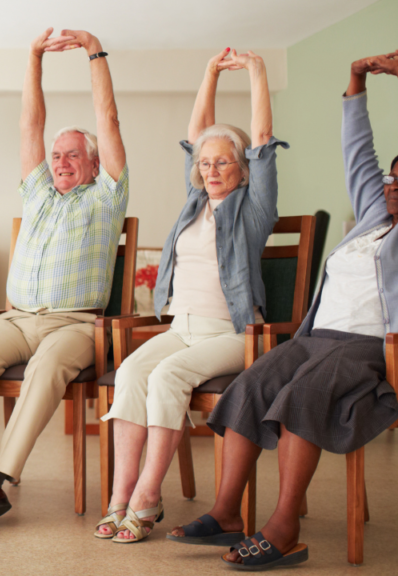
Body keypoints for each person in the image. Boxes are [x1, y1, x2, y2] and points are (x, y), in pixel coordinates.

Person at [168, 51, 398, 571]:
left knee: (303, 396)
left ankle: (284, 526)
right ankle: (227, 513)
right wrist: (356, 78)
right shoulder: (372, 217)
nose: (392, 186)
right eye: (392, 179)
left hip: (373, 348)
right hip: (317, 339)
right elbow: (358, 151)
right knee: (249, 385)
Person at [95, 48, 283, 544]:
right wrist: (209, 73)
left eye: (224, 161)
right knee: (133, 370)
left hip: (233, 333)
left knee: (169, 376)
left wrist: (257, 71)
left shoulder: (255, 208)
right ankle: (120, 497)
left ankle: (147, 497)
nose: (212, 169)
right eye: (206, 163)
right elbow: (196, 133)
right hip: (182, 326)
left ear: (243, 168)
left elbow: (262, 140)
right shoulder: (195, 201)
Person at [0, 28, 127, 526]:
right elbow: (30, 123)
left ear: (95, 163)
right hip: (15, 321)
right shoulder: (36, 193)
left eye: (74, 154)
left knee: (45, 367)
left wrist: (95, 54)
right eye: (57, 155)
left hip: (74, 325)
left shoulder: (106, 198)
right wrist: (32, 56)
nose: (61, 162)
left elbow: (109, 119)